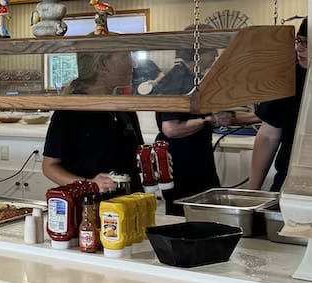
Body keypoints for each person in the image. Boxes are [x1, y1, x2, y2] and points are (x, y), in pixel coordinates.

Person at [152, 36, 256, 214]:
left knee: (207, 209)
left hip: (198, 158)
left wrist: (258, 117)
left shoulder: (195, 79)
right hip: (182, 163)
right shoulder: (177, 80)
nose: (216, 54)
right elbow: (171, 128)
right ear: (197, 53)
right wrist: (209, 120)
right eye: (211, 50)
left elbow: (215, 115)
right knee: (187, 215)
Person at [42, 50, 143, 192]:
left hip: (131, 202)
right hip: (91, 207)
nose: (133, 64)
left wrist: (150, 160)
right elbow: (49, 167)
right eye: (126, 56)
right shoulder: (70, 111)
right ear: (103, 64)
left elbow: (133, 156)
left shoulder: (122, 106)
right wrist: (90, 185)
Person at [248, 17, 308, 191]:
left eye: (306, 43)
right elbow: (268, 135)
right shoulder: (288, 77)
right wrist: (252, 192)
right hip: (288, 181)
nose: (298, 48)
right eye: (298, 41)